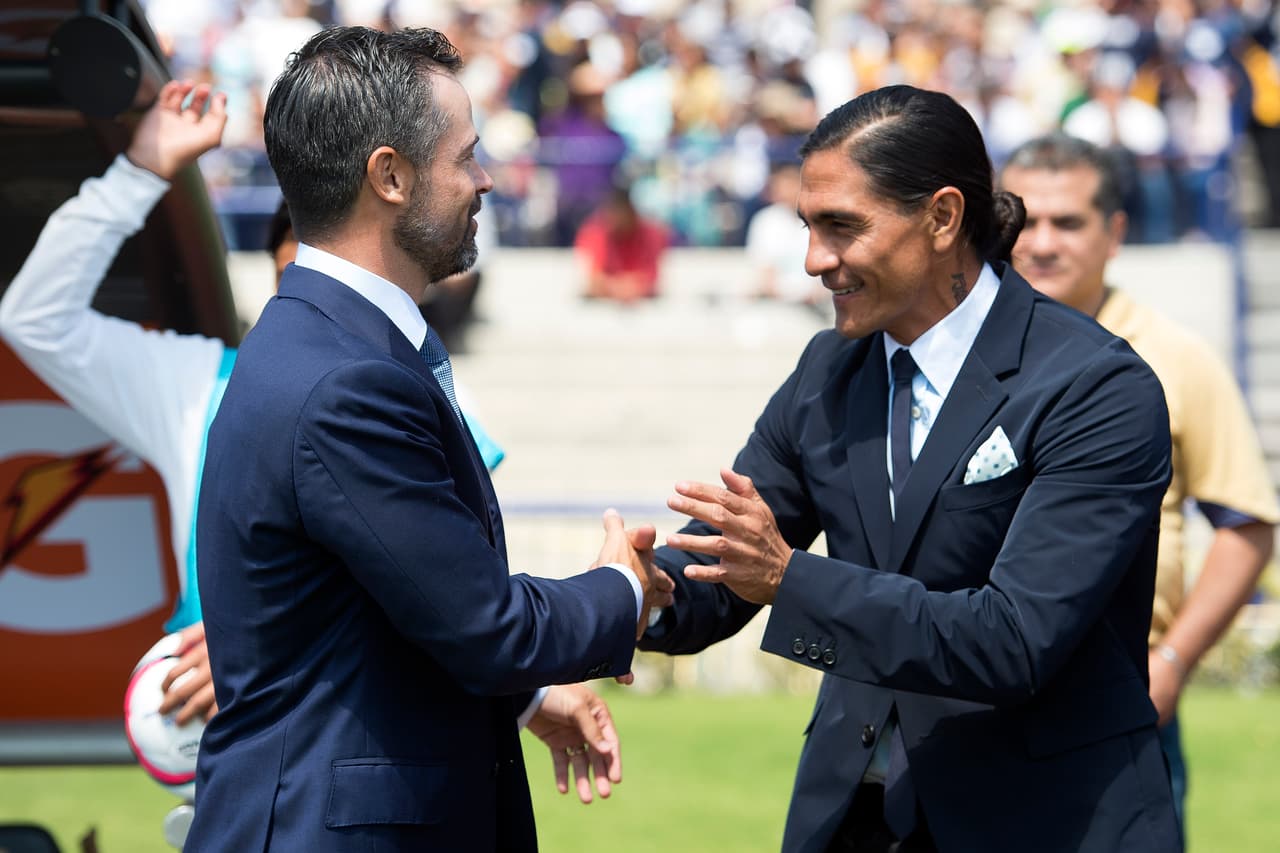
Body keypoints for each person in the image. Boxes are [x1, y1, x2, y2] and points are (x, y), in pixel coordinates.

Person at [639, 85, 1181, 852]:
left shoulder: (1097, 386)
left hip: (1049, 821)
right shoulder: (827, 369)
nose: (813, 259)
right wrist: (636, 592)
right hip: (854, 821)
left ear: (942, 217)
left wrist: (792, 578)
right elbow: (725, 563)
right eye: (807, 226)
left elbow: (1014, 639)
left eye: (841, 227)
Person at [186, 28, 672, 853]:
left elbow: (385, 613)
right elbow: (488, 626)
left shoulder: (319, 340)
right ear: (390, 175)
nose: (485, 179)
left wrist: (521, 700)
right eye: (466, 156)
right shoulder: (348, 379)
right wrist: (620, 586)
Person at [0, 78, 507, 734]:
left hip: (368, 742)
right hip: (228, 744)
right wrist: (142, 169)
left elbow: (447, 594)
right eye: (297, 275)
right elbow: (36, 318)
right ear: (275, 270)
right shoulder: (192, 382)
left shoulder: (432, 383)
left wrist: (259, 639)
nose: (322, 304)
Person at [999, 133, 1279, 828]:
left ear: (1115, 232)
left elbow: (1245, 522)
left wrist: (1175, 659)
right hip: (972, 691)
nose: (1040, 242)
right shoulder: (958, 350)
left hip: (1121, 692)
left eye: (1067, 222)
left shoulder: (1175, 356)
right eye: (1024, 220)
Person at [574, 183, 668, 303]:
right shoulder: (595, 233)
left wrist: (628, 287)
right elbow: (594, 279)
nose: (617, 221)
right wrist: (618, 288)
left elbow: (652, 278)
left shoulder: (651, 234)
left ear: (631, 212)